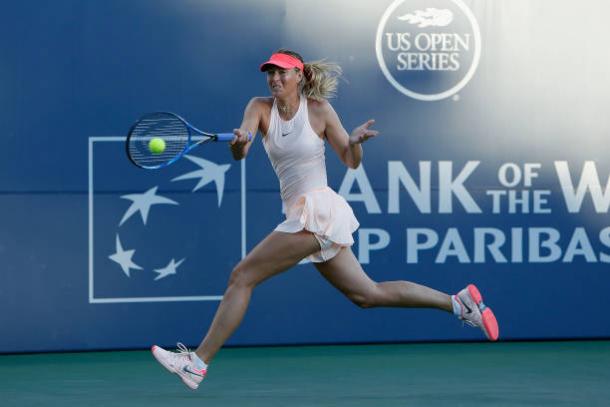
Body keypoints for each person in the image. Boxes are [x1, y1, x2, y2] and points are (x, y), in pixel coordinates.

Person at [151, 49, 499, 390]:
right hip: (302, 214)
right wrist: (239, 141)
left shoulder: (319, 111)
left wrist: (356, 142)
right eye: (270, 72)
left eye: (281, 72)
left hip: (317, 212)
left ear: (299, 75)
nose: (274, 78)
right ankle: (458, 303)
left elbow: (350, 160)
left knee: (242, 276)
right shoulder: (258, 107)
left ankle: (197, 364)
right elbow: (241, 153)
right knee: (367, 294)